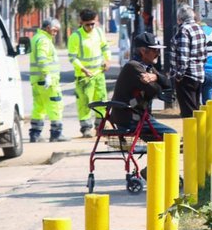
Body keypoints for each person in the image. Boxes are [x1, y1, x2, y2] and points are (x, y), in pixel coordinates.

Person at [109, 32, 176, 142]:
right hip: (130, 119)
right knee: (172, 136)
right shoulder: (134, 67)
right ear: (143, 51)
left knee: (161, 141)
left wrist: (156, 77)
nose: (158, 54)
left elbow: (168, 84)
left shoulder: (147, 67)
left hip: (139, 117)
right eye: (155, 50)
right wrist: (159, 83)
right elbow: (155, 90)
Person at [68, 8, 111, 138]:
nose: (91, 27)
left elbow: (105, 47)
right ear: (81, 23)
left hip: (99, 74)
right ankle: (86, 128)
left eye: (93, 23)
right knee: (85, 102)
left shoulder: (98, 32)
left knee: (102, 100)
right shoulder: (76, 36)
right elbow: (73, 57)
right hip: (84, 77)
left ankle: (100, 126)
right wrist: (83, 69)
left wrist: (107, 60)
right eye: (88, 24)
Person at [28, 18, 67, 142]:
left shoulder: (36, 38)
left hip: (37, 81)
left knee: (38, 108)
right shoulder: (44, 40)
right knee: (55, 106)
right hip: (48, 82)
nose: (56, 32)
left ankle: (35, 134)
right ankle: (56, 133)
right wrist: (47, 75)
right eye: (55, 29)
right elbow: (42, 58)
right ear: (48, 27)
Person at [170, 4, 207, 118]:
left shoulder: (184, 30)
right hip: (199, 73)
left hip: (187, 75)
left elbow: (183, 55)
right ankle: (197, 134)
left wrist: (178, 75)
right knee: (195, 108)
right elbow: (204, 53)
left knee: (188, 111)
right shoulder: (199, 28)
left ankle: (191, 135)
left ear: (180, 18)